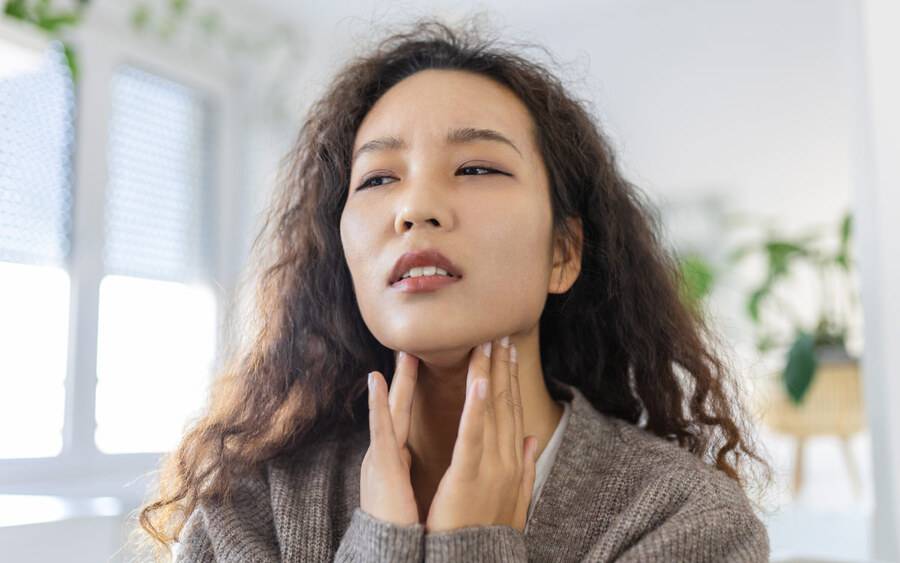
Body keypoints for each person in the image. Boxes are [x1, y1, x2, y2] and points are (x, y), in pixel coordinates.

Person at [131, 16, 772, 562]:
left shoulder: (684, 518)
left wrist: (474, 544)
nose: (415, 208)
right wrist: (381, 541)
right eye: (379, 179)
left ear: (563, 252)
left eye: (475, 167)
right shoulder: (252, 505)